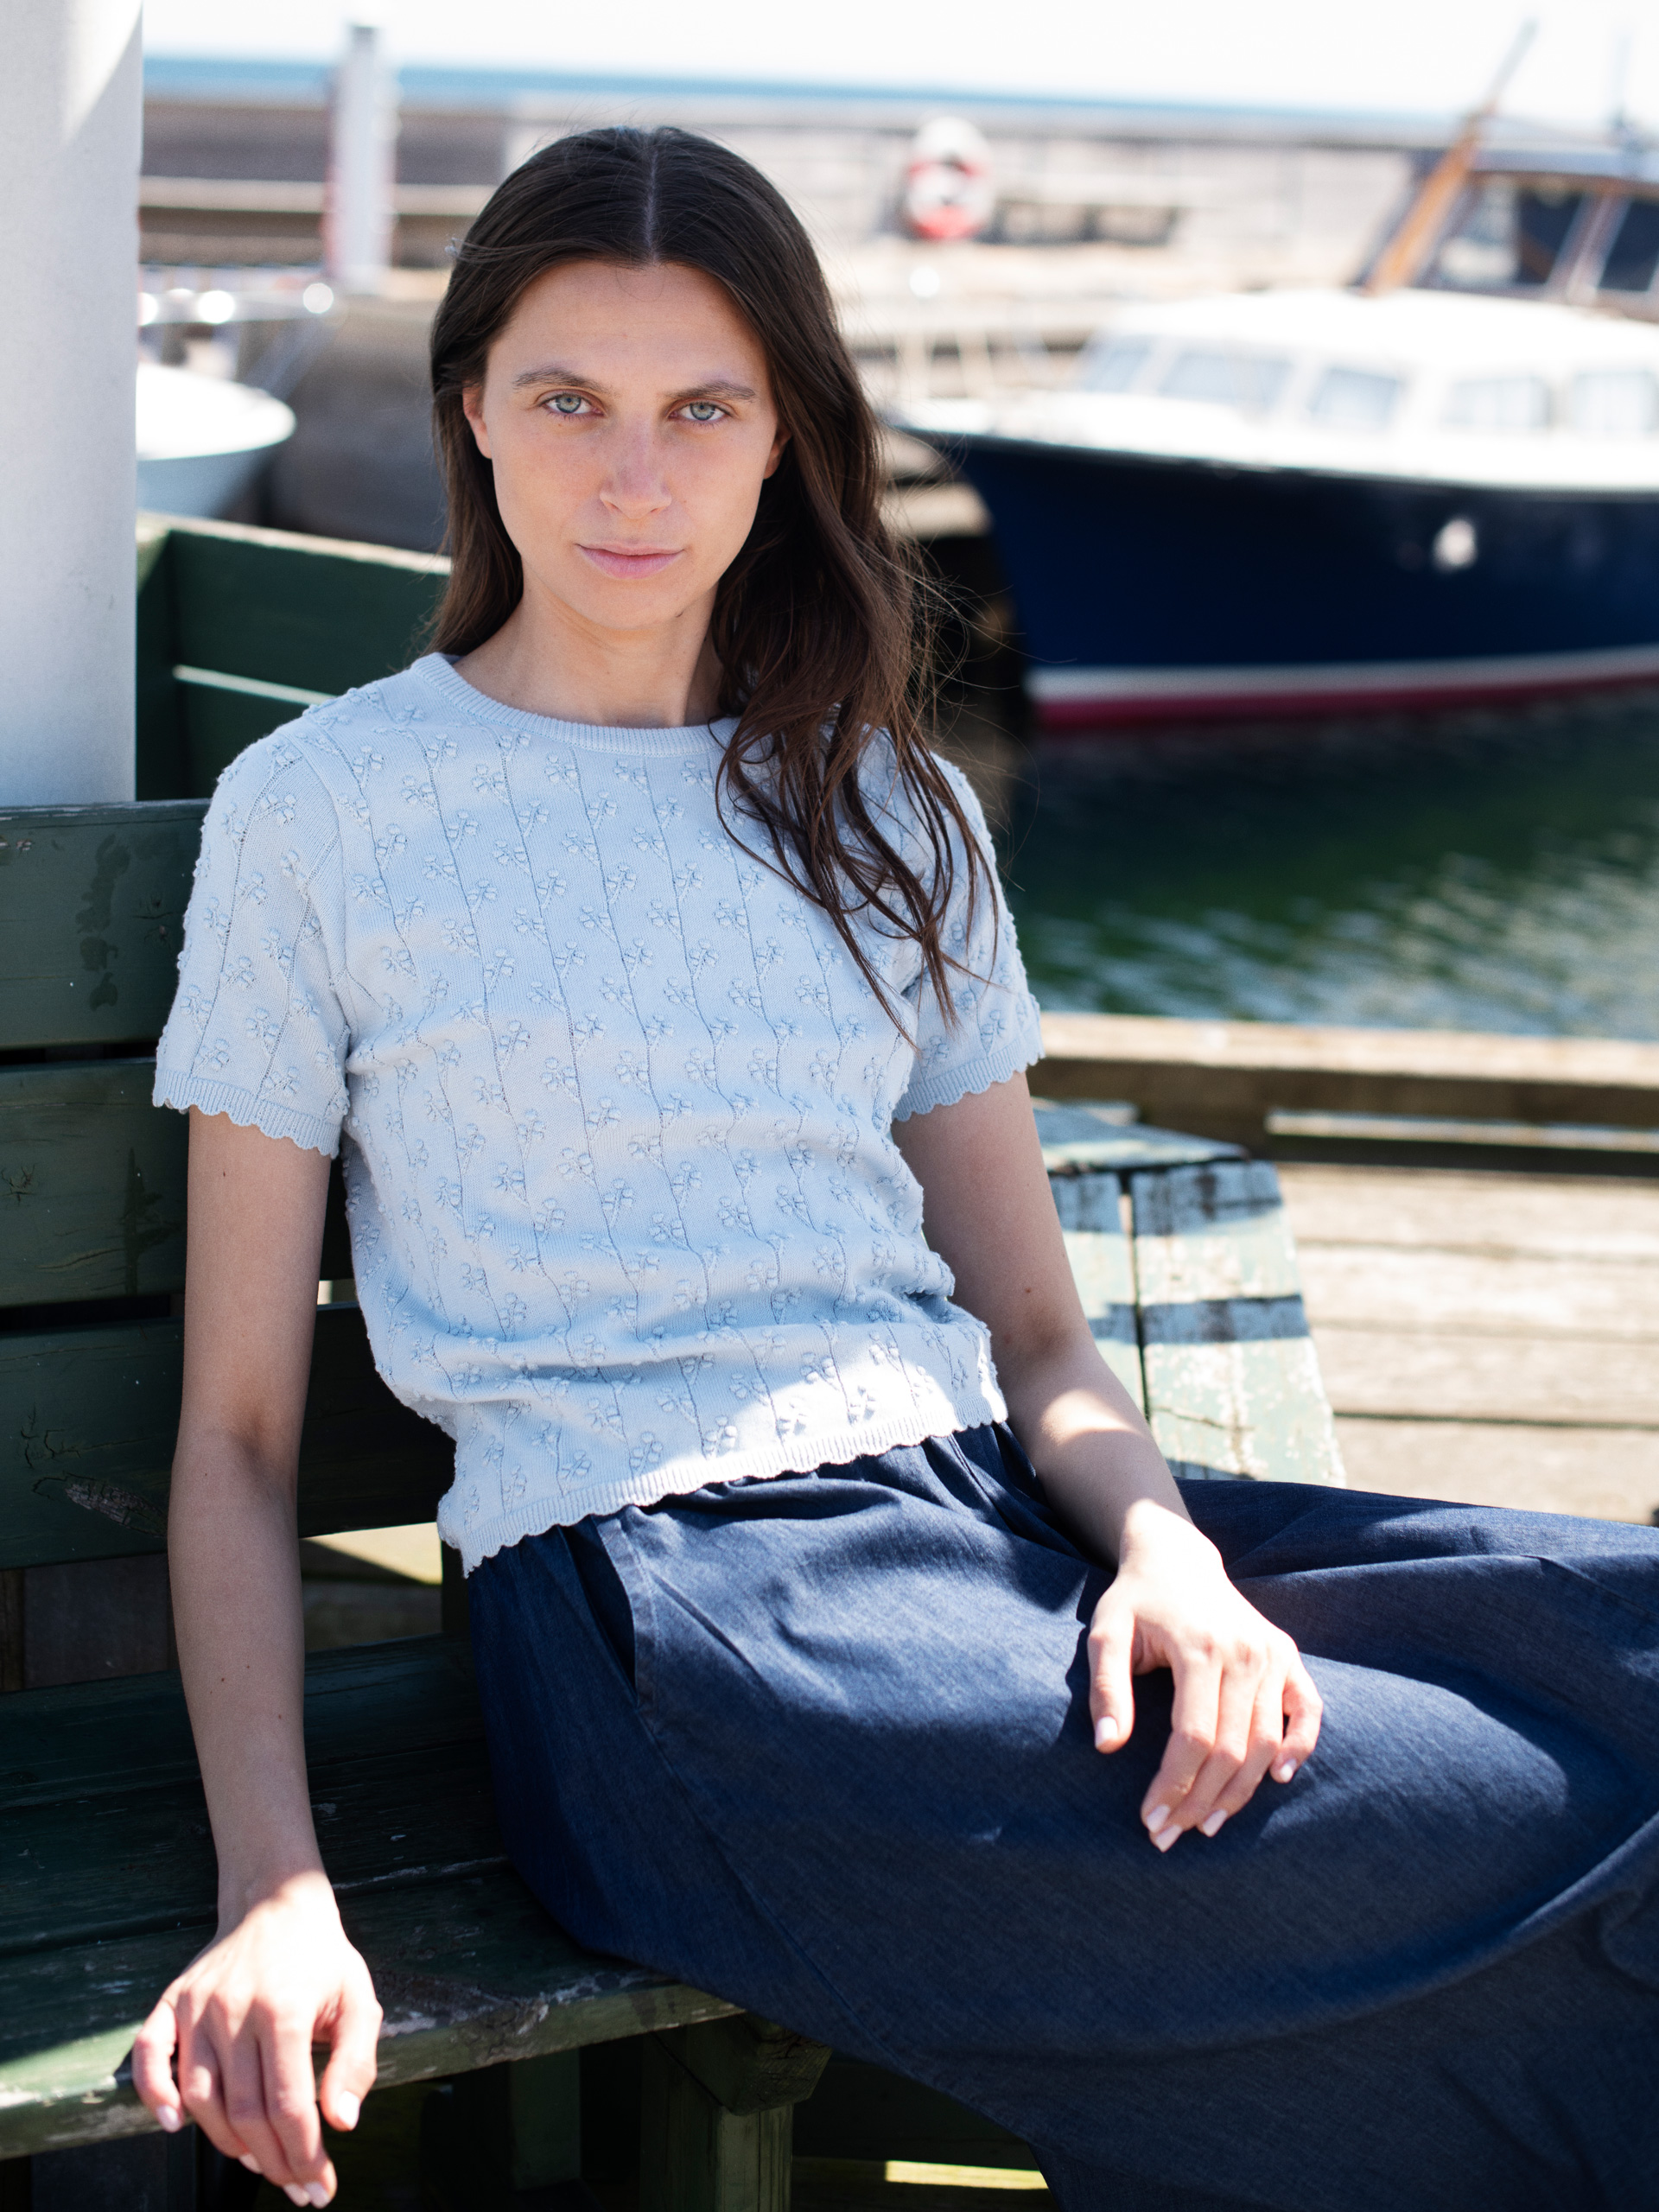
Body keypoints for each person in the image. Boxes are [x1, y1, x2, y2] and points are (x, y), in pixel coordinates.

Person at [133, 126, 1659, 2212]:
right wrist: (275, 1886)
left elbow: (1037, 1332)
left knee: (1616, 1650)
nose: (633, 475)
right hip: (681, 1629)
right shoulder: (320, 814)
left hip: (991, 1522)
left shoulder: (892, 808)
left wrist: (1169, 1554)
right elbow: (234, 1435)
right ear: (470, 409)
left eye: (704, 409)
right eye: (570, 399)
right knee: (1433, 1802)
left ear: (787, 439)